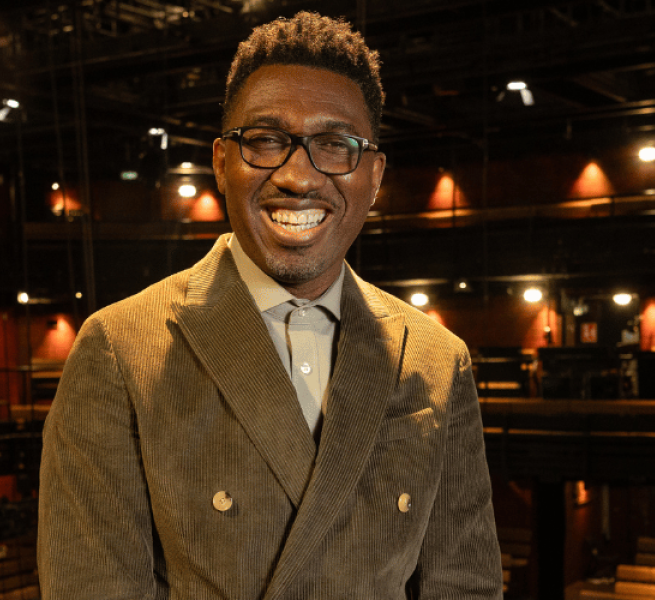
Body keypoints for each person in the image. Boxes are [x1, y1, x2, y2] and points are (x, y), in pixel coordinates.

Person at [37, 11, 502, 600]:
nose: (298, 175)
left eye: (335, 145)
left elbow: (467, 585)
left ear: (375, 175)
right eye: (265, 140)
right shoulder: (118, 349)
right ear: (220, 163)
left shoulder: (439, 358)